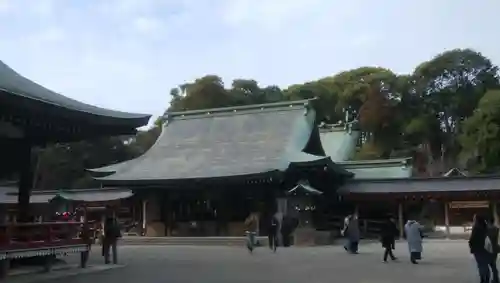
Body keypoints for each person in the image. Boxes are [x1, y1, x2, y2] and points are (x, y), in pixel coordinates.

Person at [469, 214, 493, 283]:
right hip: (486, 249)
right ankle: (487, 279)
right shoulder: (486, 227)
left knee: (481, 266)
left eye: (474, 218)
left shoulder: (476, 228)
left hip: (478, 250)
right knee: (485, 265)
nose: (473, 219)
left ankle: (483, 280)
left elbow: (472, 240)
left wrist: (471, 246)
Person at [487, 216, 500, 283]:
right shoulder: (496, 229)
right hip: (495, 248)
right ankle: (496, 279)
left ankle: (488, 279)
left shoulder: (486, 229)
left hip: (488, 249)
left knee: (487, 265)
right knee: (493, 265)